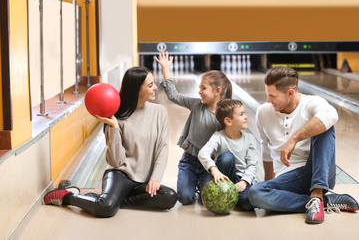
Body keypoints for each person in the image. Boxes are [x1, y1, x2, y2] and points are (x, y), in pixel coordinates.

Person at [43, 66, 178, 217]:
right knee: (105, 208)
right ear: (136, 89)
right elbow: (116, 162)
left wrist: (155, 179)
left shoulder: (160, 112)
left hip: (143, 180)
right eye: (150, 85)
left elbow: (163, 148)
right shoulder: (116, 117)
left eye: (154, 83)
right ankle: (67, 197)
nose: (155, 88)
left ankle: (110, 200)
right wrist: (114, 127)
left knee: (170, 197)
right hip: (121, 175)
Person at [248, 66, 359, 224]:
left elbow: (331, 114)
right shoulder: (263, 112)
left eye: (272, 96)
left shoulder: (312, 103)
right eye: (267, 95)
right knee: (255, 193)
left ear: (290, 93)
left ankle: (317, 193)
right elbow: (266, 151)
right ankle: (322, 202)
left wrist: (294, 139)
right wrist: (268, 186)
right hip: (287, 179)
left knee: (325, 126)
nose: (268, 101)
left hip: (316, 172)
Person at [156, 51, 232, 205]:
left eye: (203, 88)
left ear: (217, 91)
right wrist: (166, 69)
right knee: (185, 199)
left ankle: (199, 184)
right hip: (189, 160)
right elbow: (173, 96)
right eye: (199, 87)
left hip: (209, 164)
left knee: (206, 200)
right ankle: (192, 183)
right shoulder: (196, 105)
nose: (199, 91)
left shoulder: (226, 114)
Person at [198, 99, 257, 210]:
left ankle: (227, 195)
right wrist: (214, 169)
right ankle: (226, 193)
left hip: (243, 180)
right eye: (241, 114)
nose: (246, 117)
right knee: (226, 157)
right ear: (228, 121)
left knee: (247, 203)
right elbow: (203, 153)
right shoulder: (218, 137)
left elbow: (252, 165)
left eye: (244, 113)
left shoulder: (250, 139)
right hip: (224, 178)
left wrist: (244, 182)